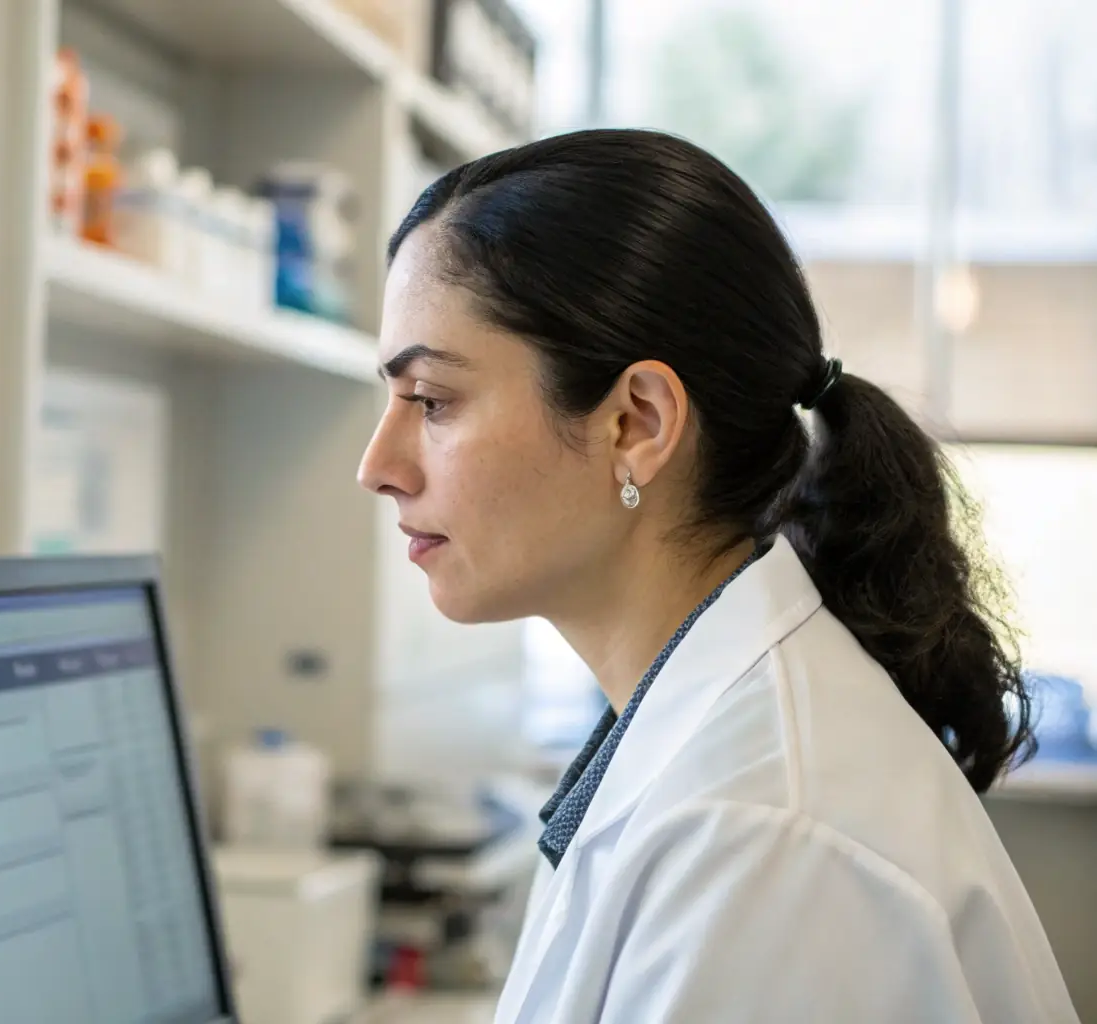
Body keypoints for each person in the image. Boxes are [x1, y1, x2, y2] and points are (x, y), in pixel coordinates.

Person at [357, 129, 1079, 1023]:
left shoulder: (764, 838)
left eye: (430, 401)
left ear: (637, 422)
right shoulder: (712, 751)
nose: (377, 464)